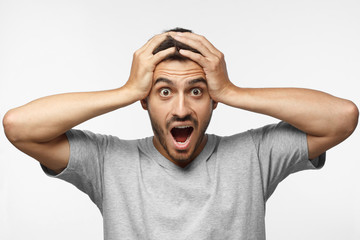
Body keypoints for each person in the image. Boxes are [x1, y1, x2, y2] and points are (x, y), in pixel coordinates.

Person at [3, 27, 358, 239]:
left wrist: (233, 91)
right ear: (146, 101)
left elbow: (342, 117)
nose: (182, 109)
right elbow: (19, 127)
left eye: (198, 91)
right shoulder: (107, 162)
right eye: (164, 91)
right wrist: (127, 91)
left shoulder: (254, 155)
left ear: (214, 100)